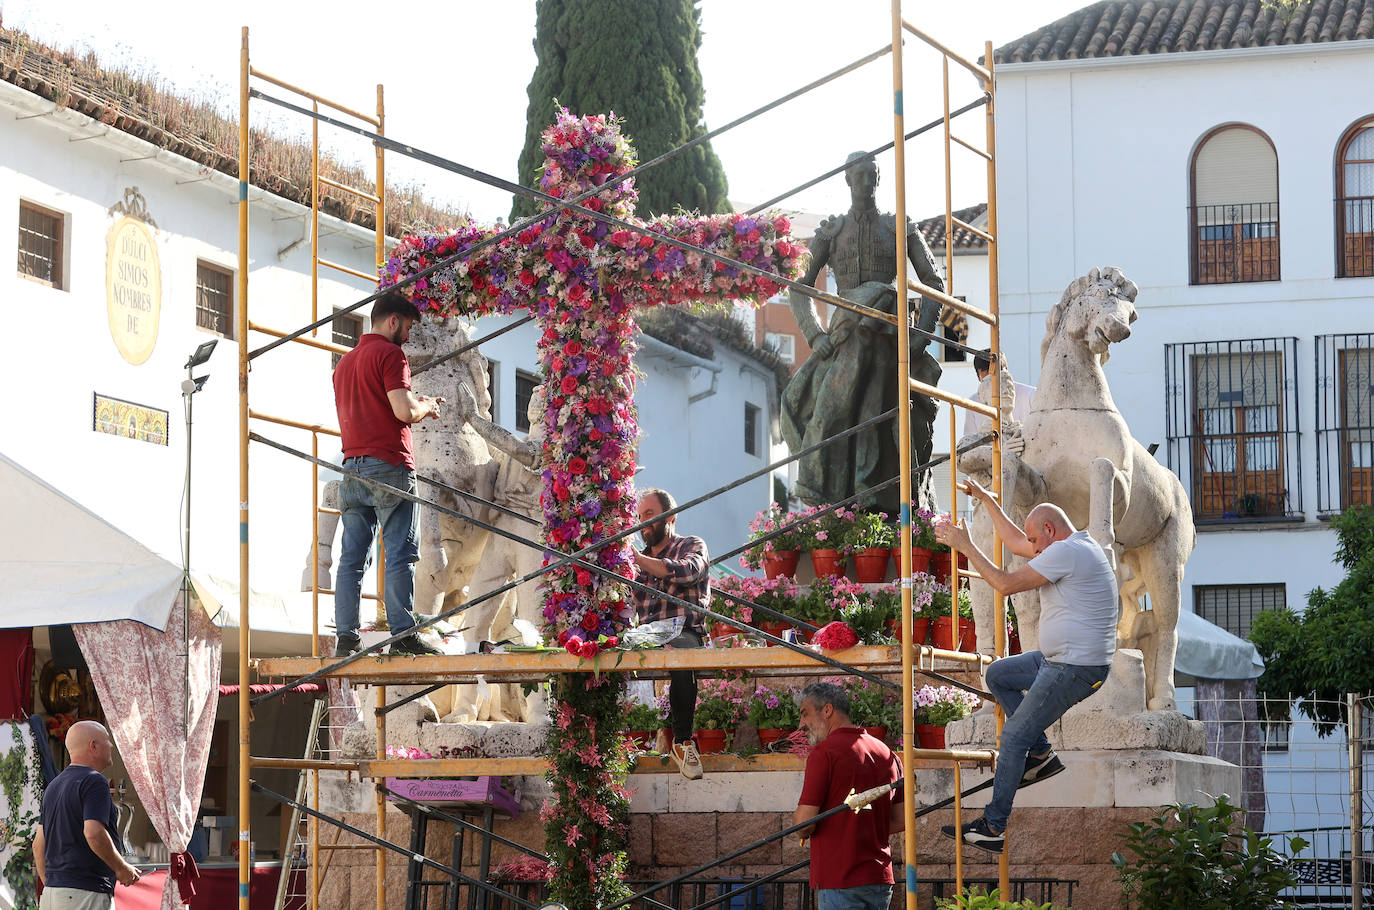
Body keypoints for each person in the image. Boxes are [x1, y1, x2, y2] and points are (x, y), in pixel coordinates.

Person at [933, 482, 1117, 853]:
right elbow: (1017, 541)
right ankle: (1041, 755)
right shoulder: (1073, 545)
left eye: (1037, 540)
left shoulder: (1066, 552)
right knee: (998, 674)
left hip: (1073, 668)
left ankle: (993, 826)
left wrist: (966, 546)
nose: (1031, 550)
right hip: (1059, 660)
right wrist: (987, 501)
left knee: (1013, 736)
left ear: (1050, 531)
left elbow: (1003, 585)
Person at [781, 151, 946, 516]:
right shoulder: (831, 231)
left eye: (873, 174)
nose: (867, 182)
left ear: (879, 179)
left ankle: (875, 500)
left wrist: (921, 336)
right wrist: (814, 336)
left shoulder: (899, 226)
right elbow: (799, 286)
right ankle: (834, 504)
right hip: (844, 335)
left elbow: (934, 282)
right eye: (859, 175)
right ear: (847, 179)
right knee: (820, 408)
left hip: (889, 338)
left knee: (886, 417)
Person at [332, 291, 445, 658]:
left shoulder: (344, 363)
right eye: (408, 327)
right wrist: (425, 407)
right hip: (389, 465)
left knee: (352, 558)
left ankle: (346, 636)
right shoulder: (390, 354)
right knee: (399, 553)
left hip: (353, 467)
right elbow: (401, 410)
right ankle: (402, 633)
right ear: (392, 321)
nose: (409, 337)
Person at [793, 682, 904, 910]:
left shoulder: (824, 753)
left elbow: (804, 824)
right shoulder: (888, 753)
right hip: (879, 877)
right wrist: (858, 824)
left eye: (805, 714)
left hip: (839, 878)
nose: (801, 724)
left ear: (827, 710)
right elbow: (901, 820)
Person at [631, 488, 709, 780]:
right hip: (646, 635)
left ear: (671, 516)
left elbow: (690, 572)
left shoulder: (691, 544)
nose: (643, 522)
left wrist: (640, 561)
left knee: (683, 656)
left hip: (683, 630)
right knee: (600, 657)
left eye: (649, 514)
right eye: (639, 517)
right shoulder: (634, 562)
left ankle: (682, 741)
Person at [33, 721, 141, 909]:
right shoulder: (94, 780)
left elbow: (37, 845)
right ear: (93, 746)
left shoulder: (53, 786)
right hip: (85, 894)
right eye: (107, 740)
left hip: (52, 894)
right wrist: (121, 868)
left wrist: (53, 883)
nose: (111, 745)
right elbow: (93, 833)